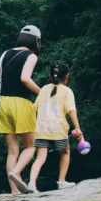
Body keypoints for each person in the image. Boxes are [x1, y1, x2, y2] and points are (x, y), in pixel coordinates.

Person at [0, 26, 41, 194]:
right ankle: (16, 172)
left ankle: (14, 192)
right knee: (31, 146)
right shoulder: (31, 55)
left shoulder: (5, 53)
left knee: (12, 152)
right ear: (36, 41)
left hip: (3, 103)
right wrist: (42, 93)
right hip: (21, 102)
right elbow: (25, 79)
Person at [29, 63, 81, 192]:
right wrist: (77, 127)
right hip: (58, 129)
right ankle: (61, 182)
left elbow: (34, 108)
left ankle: (31, 184)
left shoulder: (44, 89)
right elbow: (71, 110)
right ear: (67, 75)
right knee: (65, 152)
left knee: (40, 157)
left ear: (50, 75)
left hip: (41, 129)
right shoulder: (67, 91)